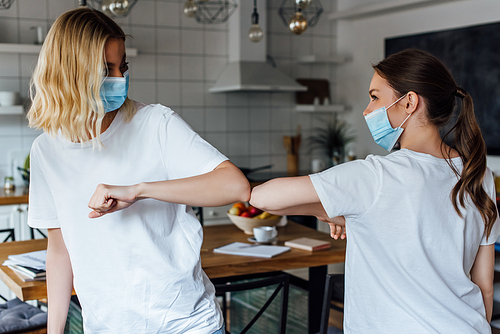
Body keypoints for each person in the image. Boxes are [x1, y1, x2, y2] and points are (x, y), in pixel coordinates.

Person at [26, 7, 250, 334]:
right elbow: (60, 251)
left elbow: (235, 186)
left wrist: (140, 190)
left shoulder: (155, 123)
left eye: (123, 66)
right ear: (70, 72)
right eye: (106, 69)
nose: (120, 79)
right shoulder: (46, 152)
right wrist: (54, 331)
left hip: (187, 325)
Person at [250, 48, 500, 333]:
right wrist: (341, 213)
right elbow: (484, 287)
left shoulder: (376, 175)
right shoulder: (479, 173)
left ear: (409, 103)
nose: (367, 110)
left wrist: (332, 210)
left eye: (374, 97)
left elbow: (263, 197)